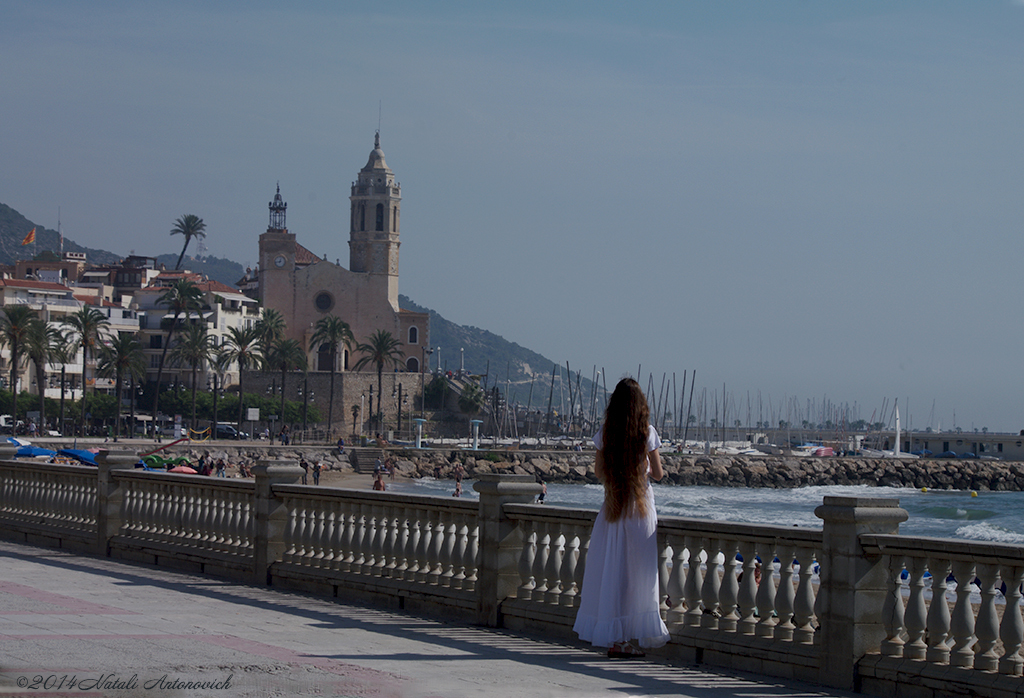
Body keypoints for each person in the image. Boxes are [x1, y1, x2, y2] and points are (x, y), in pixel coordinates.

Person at [573, 377, 669, 659]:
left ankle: (616, 637)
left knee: (613, 572)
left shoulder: (607, 432)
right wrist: (641, 471)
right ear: (641, 406)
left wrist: (621, 471)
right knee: (638, 575)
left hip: (614, 507)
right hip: (640, 509)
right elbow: (659, 473)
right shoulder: (646, 432)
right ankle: (625, 636)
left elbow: (600, 472)